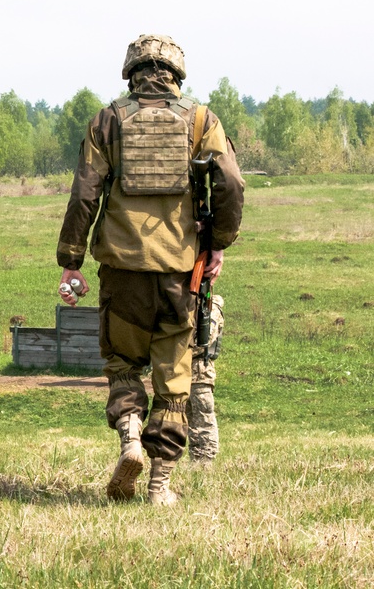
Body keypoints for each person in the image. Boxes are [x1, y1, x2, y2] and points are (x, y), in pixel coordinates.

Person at [56, 35, 244, 506]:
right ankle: (159, 485)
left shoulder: (108, 121)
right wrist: (217, 243)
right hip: (180, 274)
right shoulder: (202, 121)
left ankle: (130, 438)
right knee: (175, 380)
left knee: (121, 364)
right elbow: (232, 185)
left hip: (121, 271)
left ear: (131, 71)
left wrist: (71, 261)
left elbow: (84, 195)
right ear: (177, 75)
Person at [188, 294, 224, 463]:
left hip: (200, 373)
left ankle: (206, 460)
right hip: (184, 372)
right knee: (190, 421)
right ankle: (195, 459)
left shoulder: (210, 309)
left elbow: (204, 341)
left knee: (203, 418)